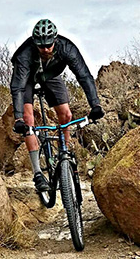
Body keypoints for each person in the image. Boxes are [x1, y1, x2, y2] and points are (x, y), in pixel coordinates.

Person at [10, 19, 104, 192]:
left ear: (55, 40)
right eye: (41, 46)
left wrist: (95, 105)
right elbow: (18, 87)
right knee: (28, 119)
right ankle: (38, 173)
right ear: (35, 42)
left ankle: (64, 152)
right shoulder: (25, 54)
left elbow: (84, 76)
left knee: (66, 115)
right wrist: (18, 118)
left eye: (49, 45)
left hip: (51, 75)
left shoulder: (66, 48)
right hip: (28, 79)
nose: (45, 49)